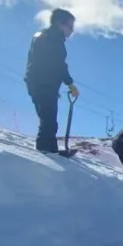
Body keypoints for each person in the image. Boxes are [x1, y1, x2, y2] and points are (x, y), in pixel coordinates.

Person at [25, 8, 78, 153]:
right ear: (60, 23)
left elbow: (57, 65)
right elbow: (58, 65)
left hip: (42, 84)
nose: (71, 31)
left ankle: (50, 150)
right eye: (70, 26)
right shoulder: (50, 38)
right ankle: (45, 150)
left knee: (49, 120)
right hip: (41, 84)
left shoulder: (48, 37)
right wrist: (69, 83)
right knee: (48, 121)